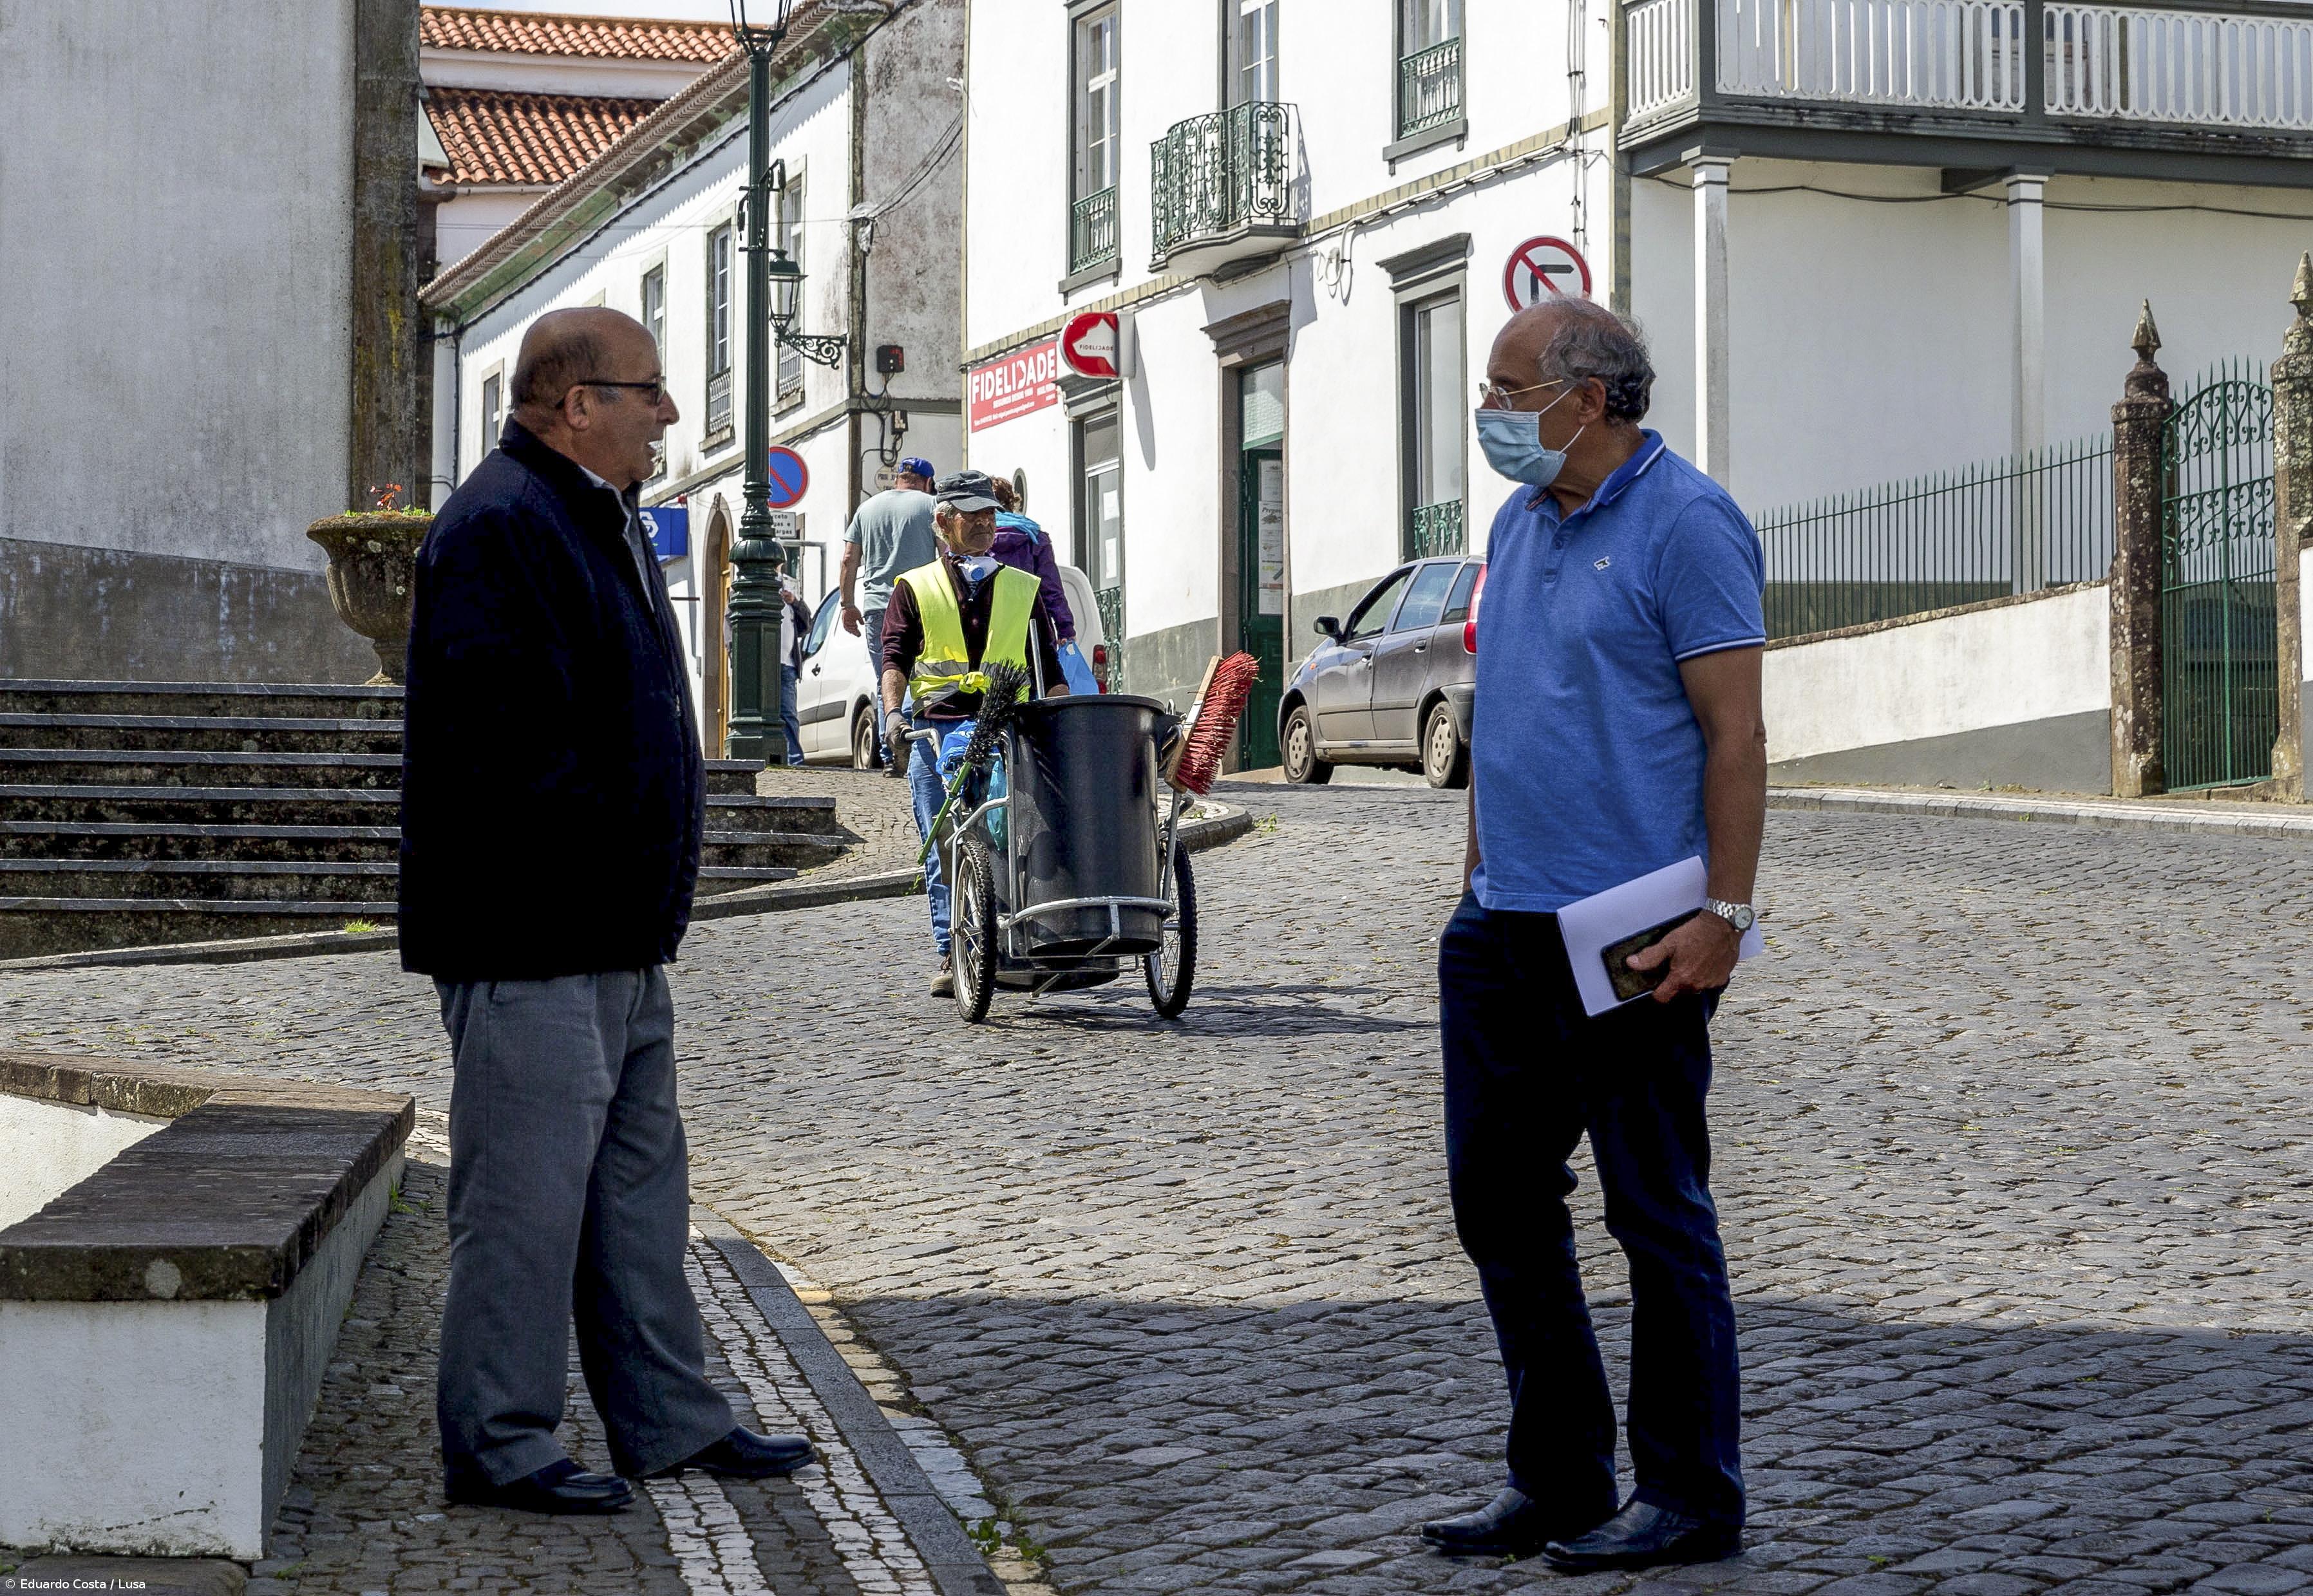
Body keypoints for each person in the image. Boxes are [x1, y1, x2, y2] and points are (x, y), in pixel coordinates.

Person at [401, 306, 815, 1516]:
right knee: (523, 1205)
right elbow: (506, 753)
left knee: (638, 1196)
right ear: (577, 404)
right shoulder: (498, 524)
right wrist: (608, 869)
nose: (670, 412)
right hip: (534, 932)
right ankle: (499, 1440)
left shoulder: (593, 513)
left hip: (615, 932)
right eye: (649, 390)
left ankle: (669, 1419)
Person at [1419, 298, 1765, 1572]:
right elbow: (1511, 705)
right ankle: (1560, 1475)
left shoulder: (1688, 523)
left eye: (1506, 391)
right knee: (1497, 1200)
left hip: (1633, 934)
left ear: (1587, 399)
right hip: (1502, 925)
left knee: (1653, 1207)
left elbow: (1736, 734)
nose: (1488, 414)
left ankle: (1689, 1492)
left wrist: (1723, 916)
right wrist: (1474, 876)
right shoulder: (1519, 522)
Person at [879, 469, 1066, 995]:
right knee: (944, 842)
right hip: (935, 728)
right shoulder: (914, 588)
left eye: (989, 514)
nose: (985, 523)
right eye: (972, 515)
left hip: (1006, 729)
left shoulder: (1022, 587)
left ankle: (1016, 940)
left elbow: (1049, 667)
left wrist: (1061, 720)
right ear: (944, 522)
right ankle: (952, 949)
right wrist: (893, 715)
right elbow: (894, 658)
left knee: (1013, 832)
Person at [840, 455, 938, 774]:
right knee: (920, 676)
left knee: (888, 676)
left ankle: (892, 751)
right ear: (927, 482)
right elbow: (946, 552)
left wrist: (847, 604)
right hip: (921, 602)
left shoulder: (867, 509)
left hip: (877, 607)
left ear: (898, 478)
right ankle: (915, 747)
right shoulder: (931, 505)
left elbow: (848, 559)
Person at [985, 476, 1075, 641]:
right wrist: (1066, 629)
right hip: (1032, 628)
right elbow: (1051, 588)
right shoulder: (1035, 536)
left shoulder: (976, 539)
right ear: (1011, 502)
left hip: (987, 626)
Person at [778, 576, 809, 767]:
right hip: (759, 664)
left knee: (788, 713)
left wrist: (795, 602)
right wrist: (733, 652)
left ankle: (794, 759)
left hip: (787, 665)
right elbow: (729, 623)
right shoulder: (744, 582)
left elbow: (806, 625)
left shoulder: (788, 587)